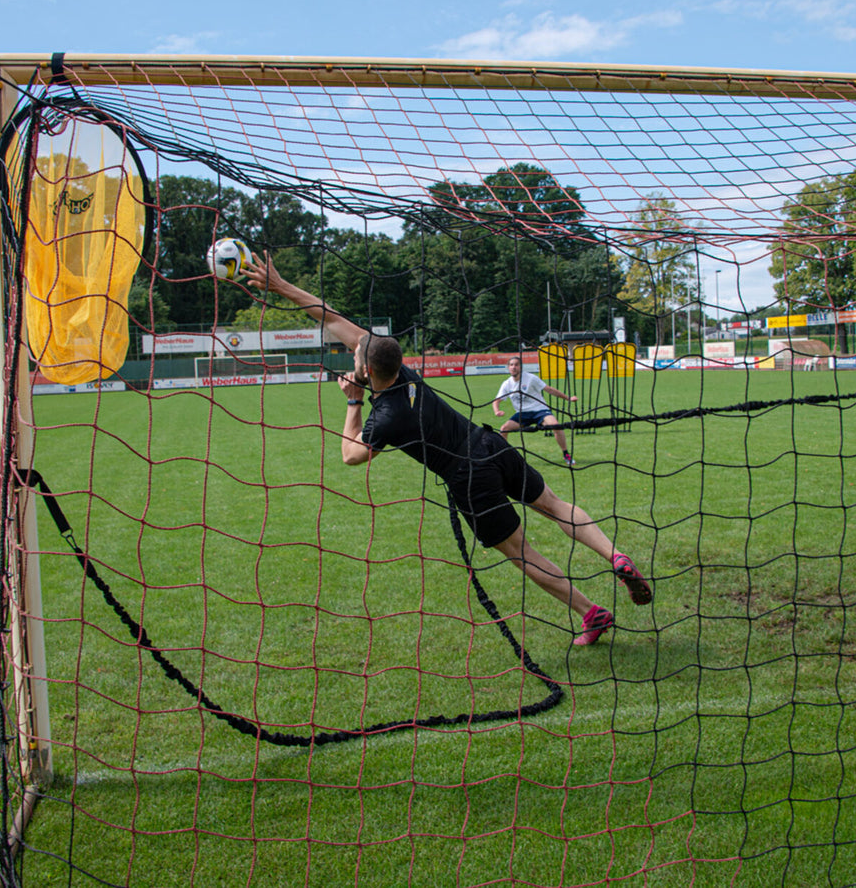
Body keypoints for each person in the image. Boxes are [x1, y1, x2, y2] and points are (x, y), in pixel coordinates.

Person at [244, 254, 651, 646]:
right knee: (556, 505)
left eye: (356, 354)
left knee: (523, 554)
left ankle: (590, 612)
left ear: (367, 369)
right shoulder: (400, 368)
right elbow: (332, 318)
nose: (353, 350)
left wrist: (352, 401)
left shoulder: (385, 415)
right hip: (489, 443)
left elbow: (351, 455)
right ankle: (614, 555)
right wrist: (280, 286)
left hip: (469, 477)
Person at [493, 355, 578, 466]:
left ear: (521, 367)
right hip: (522, 414)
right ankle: (505, 457)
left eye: (516, 365)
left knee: (556, 425)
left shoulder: (531, 378)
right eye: (511, 365)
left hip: (540, 410)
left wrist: (568, 398)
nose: (514, 367)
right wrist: (497, 410)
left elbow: (549, 389)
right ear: (508, 367)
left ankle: (566, 454)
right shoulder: (507, 384)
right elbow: (497, 400)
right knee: (504, 429)